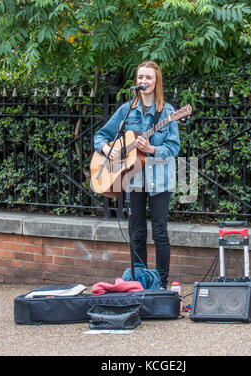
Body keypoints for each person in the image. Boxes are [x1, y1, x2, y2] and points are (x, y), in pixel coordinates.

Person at [94, 61, 180, 289]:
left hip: (160, 180)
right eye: (140, 77)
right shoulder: (126, 110)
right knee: (137, 232)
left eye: (148, 78)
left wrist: (151, 149)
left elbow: (173, 148)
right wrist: (108, 151)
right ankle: (140, 283)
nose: (144, 81)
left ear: (156, 81)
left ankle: (161, 284)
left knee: (160, 232)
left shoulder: (168, 112)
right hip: (134, 179)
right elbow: (100, 136)